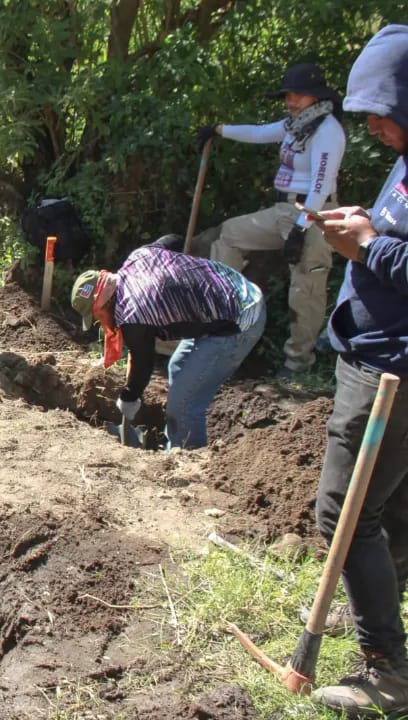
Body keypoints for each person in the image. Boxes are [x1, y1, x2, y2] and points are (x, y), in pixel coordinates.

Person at [306, 25, 408, 716]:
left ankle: (390, 673)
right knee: (387, 511)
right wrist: (367, 225)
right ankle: (385, 634)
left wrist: (367, 246)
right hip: (375, 352)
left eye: (382, 110)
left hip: (390, 370)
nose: (370, 124)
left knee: (342, 512)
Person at [196, 62, 345, 379]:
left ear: (316, 97)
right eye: (288, 94)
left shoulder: (328, 130)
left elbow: (321, 182)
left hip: (313, 215)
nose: (291, 101)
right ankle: (225, 325)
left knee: (305, 288)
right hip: (282, 212)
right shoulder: (297, 125)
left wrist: (302, 229)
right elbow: (260, 132)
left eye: (298, 95)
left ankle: (297, 364)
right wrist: (219, 130)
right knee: (229, 236)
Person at [70, 236, 265, 449]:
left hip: (240, 320)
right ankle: (175, 443)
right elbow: (174, 239)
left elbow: (143, 364)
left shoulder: (134, 316)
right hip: (233, 293)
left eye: (96, 315)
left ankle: (189, 464)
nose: (99, 321)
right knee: (176, 366)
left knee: (183, 406)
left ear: (102, 304)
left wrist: (129, 398)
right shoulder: (139, 257)